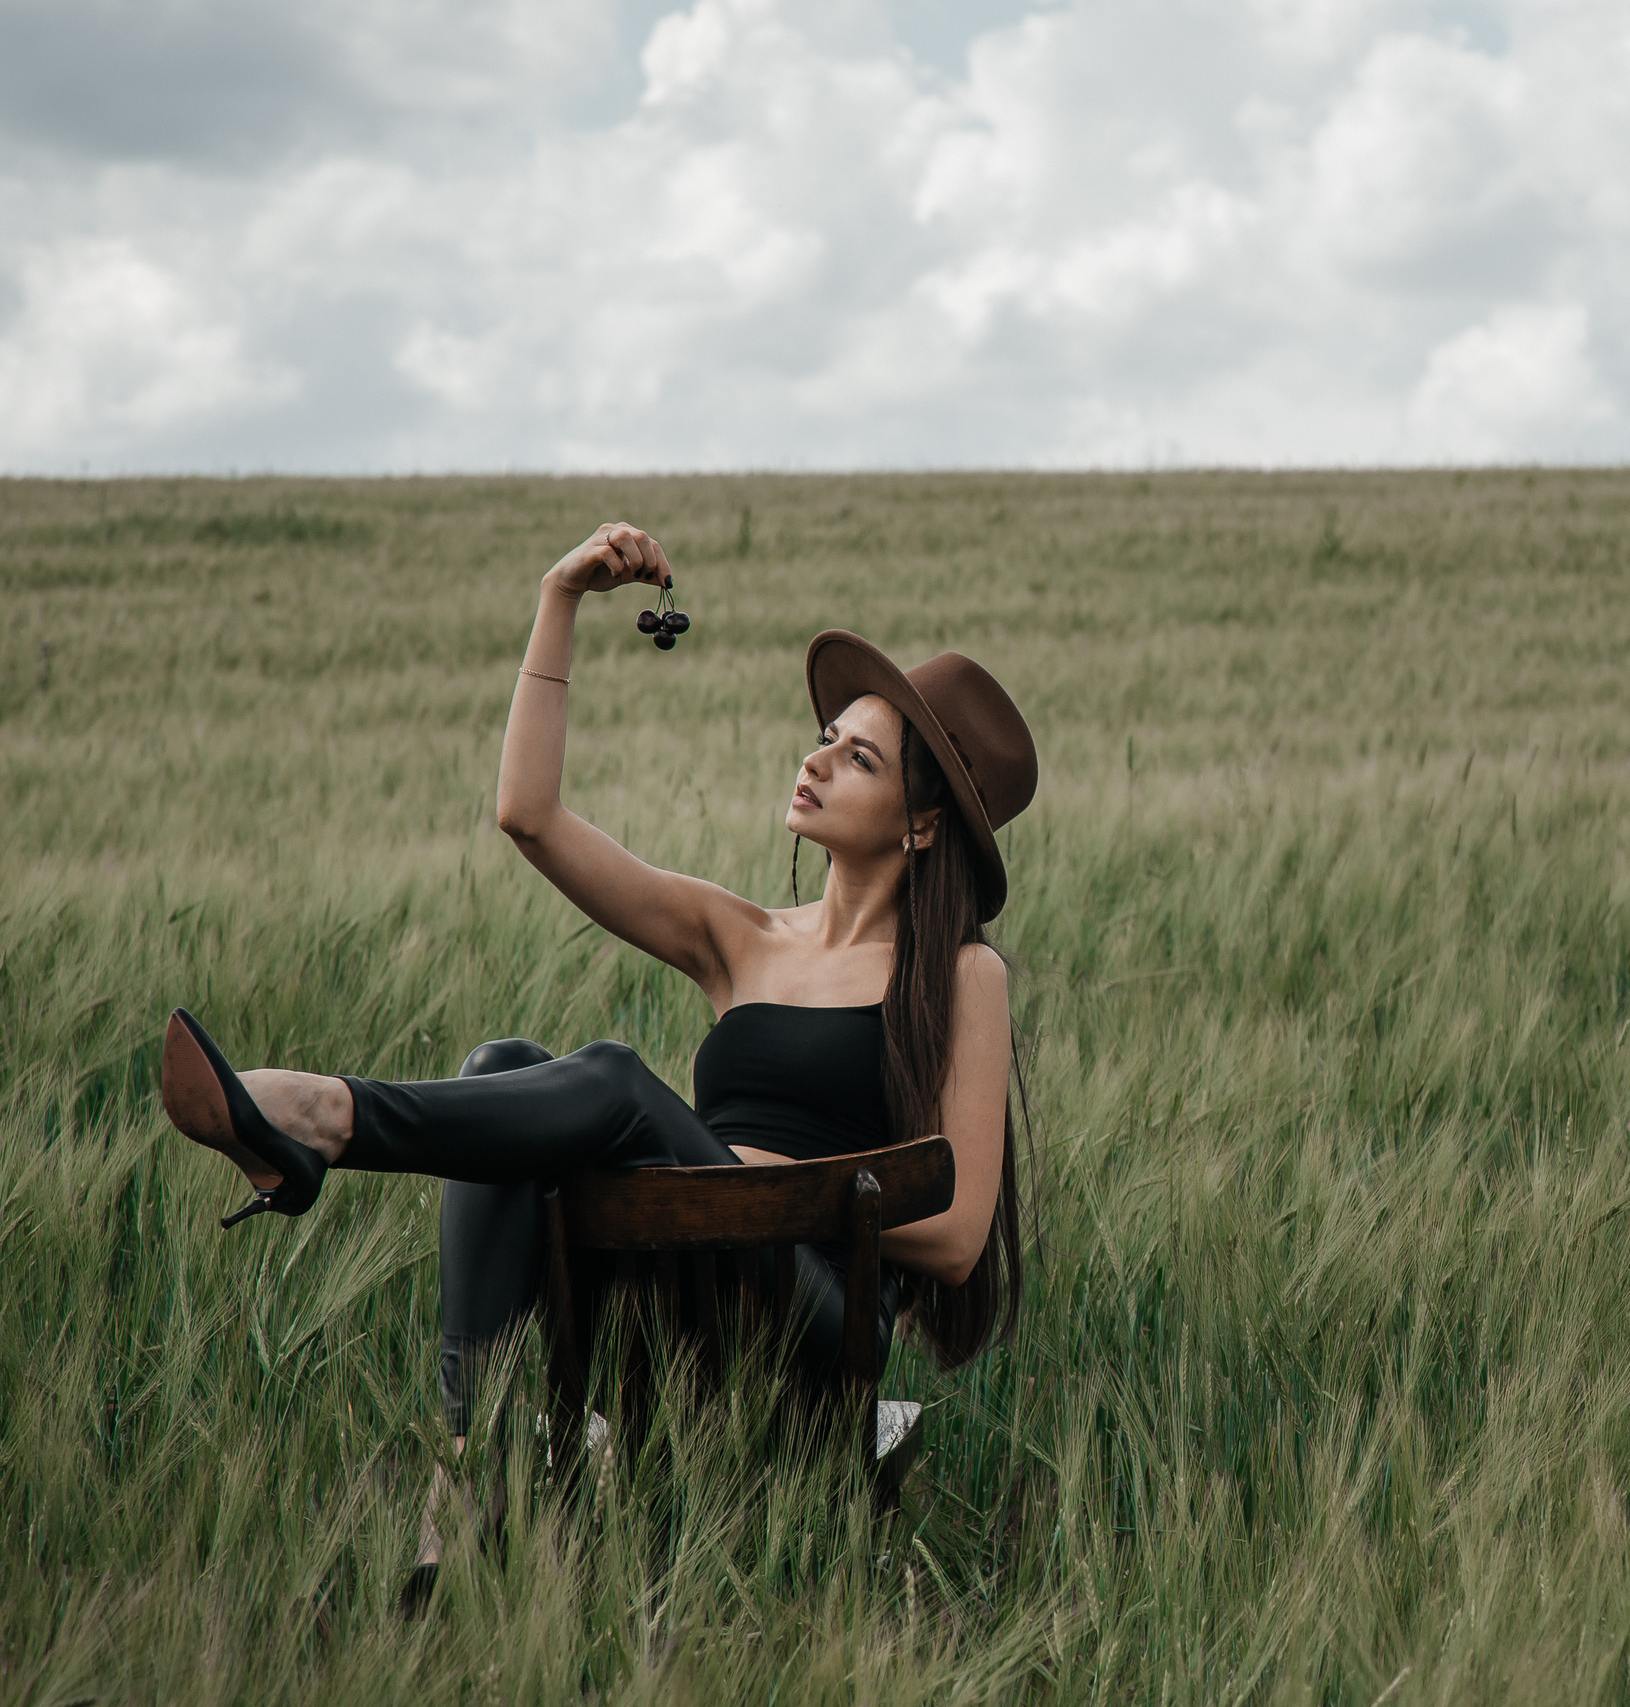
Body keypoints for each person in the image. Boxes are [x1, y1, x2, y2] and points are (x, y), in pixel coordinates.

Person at [154, 521, 1035, 1586]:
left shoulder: (959, 976)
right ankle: (466, 1470)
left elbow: (953, 1238)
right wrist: (559, 596)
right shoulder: (739, 936)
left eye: (858, 759)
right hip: (677, 1286)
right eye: (824, 735)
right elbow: (528, 817)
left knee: (614, 1077)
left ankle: (324, 1120)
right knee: (502, 1062)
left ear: (924, 828)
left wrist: (761, 1185)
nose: (814, 761)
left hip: (812, 1330)